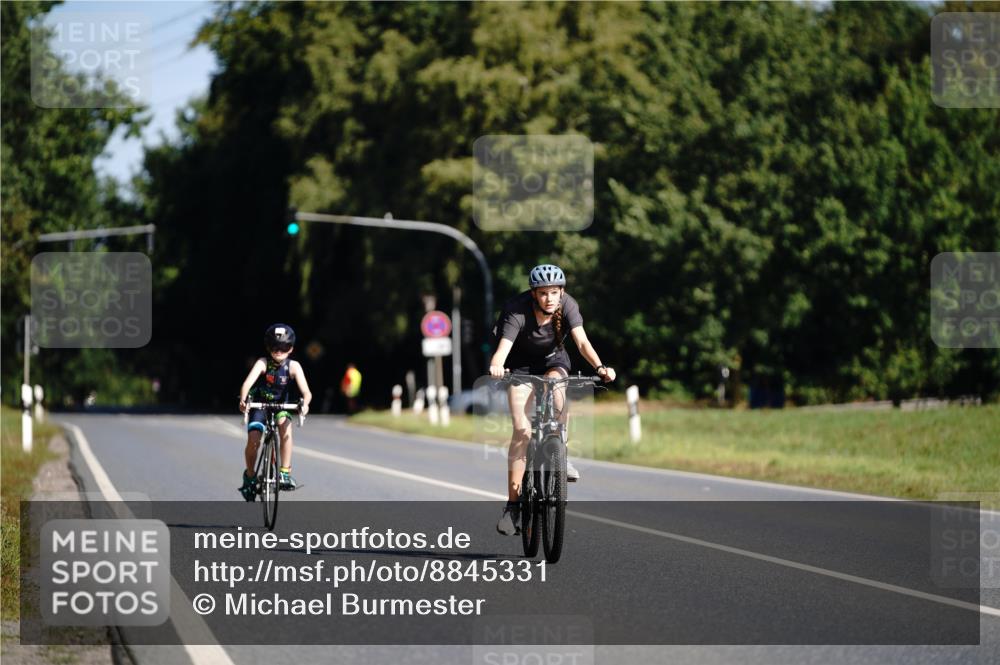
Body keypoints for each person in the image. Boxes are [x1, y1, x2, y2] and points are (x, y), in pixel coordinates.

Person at [488, 264, 615, 535]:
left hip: (553, 361)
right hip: (519, 367)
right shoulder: (517, 309)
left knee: (558, 388)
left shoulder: (568, 305)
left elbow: (581, 343)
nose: (549, 298)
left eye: (554, 292)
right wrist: (496, 366)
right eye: (543, 293)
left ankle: (560, 453)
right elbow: (503, 349)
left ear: (562, 292)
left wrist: (600, 368)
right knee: (522, 430)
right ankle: (512, 507)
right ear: (534, 294)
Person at [238, 324, 312, 499]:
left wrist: (305, 404)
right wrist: (243, 399)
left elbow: (307, 392)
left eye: (284, 347)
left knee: (285, 427)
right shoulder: (263, 363)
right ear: (268, 347)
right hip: (260, 405)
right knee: (254, 439)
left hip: (282, 406)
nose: (279, 351)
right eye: (274, 347)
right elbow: (247, 384)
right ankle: (250, 476)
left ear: (291, 348)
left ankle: (284, 472)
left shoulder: (293, 366)